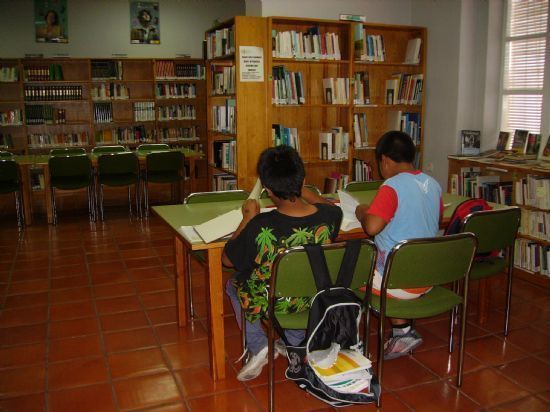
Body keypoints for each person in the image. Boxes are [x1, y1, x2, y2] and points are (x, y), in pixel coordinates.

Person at [222, 145, 343, 381]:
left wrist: (247, 218)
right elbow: (328, 207)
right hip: (318, 296)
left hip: (274, 301)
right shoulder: (331, 217)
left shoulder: (260, 224)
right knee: (299, 278)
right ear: (303, 180)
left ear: (267, 190)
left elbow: (228, 260)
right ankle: (295, 340)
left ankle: (258, 346)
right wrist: (305, 192)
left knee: (234, 283)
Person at [354, 130, 443, 360]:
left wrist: (362, 211)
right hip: (428, 276)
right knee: (393, 257)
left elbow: (371, 228)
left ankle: (348, 341)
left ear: (384, 160)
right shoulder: (433, 184)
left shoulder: (391, 186)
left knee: (346, 270)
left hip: (396, 283)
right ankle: (402, 333)